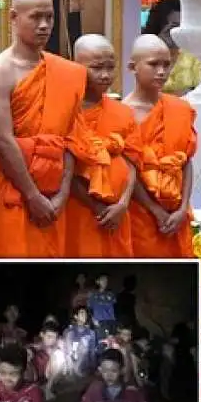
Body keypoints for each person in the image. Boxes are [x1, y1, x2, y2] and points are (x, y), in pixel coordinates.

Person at [0, 0, 84, 257]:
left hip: (54, 194)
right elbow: (2, 140)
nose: (44, 25)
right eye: (35, 17)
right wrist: (32, 195)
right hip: (11, 190)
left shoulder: (65, 72)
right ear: (14, 18)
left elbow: (72, 139)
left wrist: (62, 193)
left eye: (49, 17)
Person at [123, 35, 196, 258]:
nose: (162, 71)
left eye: (166, 64)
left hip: (177, 214)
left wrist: (183, 208)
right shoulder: (122, 113)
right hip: (140, 213)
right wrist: (155, 211)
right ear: (133, 67)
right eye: (154, 64)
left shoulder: (179, 108)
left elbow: (185, 162)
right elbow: (128, 171)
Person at [65, 35, 137, 258]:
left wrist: (123, 203)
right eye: (96, 68)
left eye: (110, 67)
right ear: (75, 64)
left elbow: (133, 163)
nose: (105, 75)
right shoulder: (65, 111)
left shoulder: (123, 112)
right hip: (77, 209)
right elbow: (64, 167)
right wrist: (96, 206)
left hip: (118, 212)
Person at [141, 0, 201, 95]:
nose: (179, 32)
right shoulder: (144, 57)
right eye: (173, 27)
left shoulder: (193, 56)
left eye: (183, 27)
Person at [0, 304, 28, 374]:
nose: (12, 313)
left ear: (18, 315)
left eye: (15, 311)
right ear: (5, 313)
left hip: (15, 368)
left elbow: (24, 350)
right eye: (9, 310)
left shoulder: (22, 333)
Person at [26, 320, 64, 400]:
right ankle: (30, 390)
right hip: (35, 377)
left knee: (59, 355)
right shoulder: (34, 348)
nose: (51, 340)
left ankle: (48, 389)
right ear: (42, 334)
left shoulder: (56, 349)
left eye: (54, 337)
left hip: (48, 378)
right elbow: (31, 349)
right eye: (49, 337)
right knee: (26, 359)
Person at [63, 305, 98, 378]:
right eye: (82, 313)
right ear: (76, 316)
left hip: (84, 364)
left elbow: (92, 352)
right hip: (72, 362)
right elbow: (66, 350)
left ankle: (77, 373)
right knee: (69, 335)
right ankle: (71, 372)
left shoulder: (91, 333)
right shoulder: (69, 331)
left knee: (84, 342)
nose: (84, 315)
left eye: (85, 314)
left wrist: (93, 367)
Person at [88, 273, 118, 340]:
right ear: (97, 281)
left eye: (106, 280)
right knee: (101, 342)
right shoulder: (92, 294)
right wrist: (93, 319)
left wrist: (115, 321)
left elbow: (116, 308)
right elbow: (89, 309)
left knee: (112, 342)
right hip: (99, 321)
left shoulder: (111, 294)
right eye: (103, 279)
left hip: (111, 321)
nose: (105, 281)